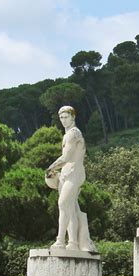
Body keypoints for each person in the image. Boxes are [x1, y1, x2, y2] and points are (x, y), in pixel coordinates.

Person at [46, 106, 95, 251]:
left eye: (66, 117)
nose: (63, 120)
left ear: (73, 117)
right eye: (61, 118)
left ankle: (60, 240)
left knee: (63, 203)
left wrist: (51, 167)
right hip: (66, 174)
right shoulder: (67, 134)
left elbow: (67, 157)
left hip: (75, 173)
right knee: (70, 208)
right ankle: (73, 243)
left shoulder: (74, 134)